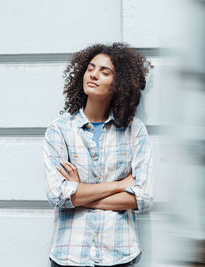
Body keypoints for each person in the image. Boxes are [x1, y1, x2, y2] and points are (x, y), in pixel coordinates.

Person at [44, 43, 153, 267]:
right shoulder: (60, 130)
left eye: (105, 72)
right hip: (69, 256)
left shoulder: (135, 131)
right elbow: (58, 195)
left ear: (119, 83)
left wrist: (80, 194)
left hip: (119, 255)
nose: (94, 75)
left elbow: (143, 198)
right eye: (91, 68)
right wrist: (120, 185)